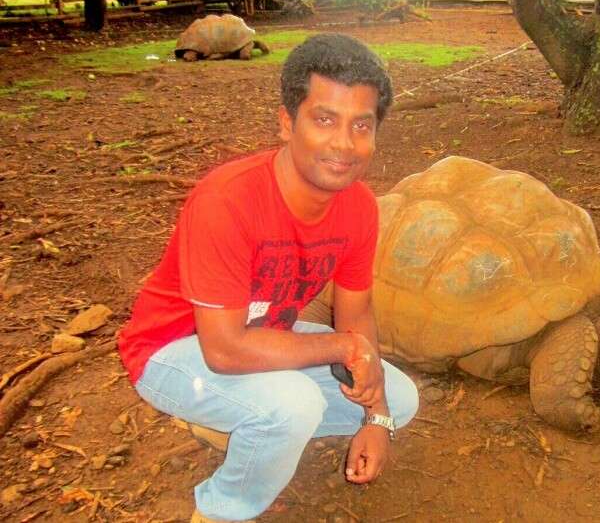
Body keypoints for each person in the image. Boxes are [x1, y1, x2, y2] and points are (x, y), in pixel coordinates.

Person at [117, 33, 419, 523]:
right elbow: (224, 349)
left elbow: (356, 313)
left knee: (403, 398)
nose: (344, 143)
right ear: (286, 122)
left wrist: (377, 416)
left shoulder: (358, 206)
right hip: (171, 350)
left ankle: (243, 422)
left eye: (361, 125)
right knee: (291, 405)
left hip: (261, 338)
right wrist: (344, 349)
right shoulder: (228, 200)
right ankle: (222, 510)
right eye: (325, 119)